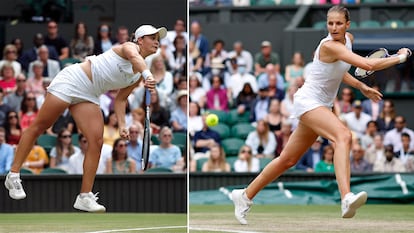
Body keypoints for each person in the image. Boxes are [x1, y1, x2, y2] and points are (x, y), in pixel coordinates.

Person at [231, 6, 412, 224]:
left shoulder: (348, 40)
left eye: (338, 23)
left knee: (287, 160)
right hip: (308, 101)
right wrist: (400, 57)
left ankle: (244, 196)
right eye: (330, 23)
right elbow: (367, 64)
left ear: (347, 25)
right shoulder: (329, 45)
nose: (334, 27)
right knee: (343, 136)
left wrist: (360, 87)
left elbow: (340, 71)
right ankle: (346, 197)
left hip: (321, 105)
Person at [4, 24, 163, 213]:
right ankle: (13, 175)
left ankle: (84, 196)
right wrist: (148, 75)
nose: (156, 42)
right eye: (152, 37)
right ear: (139, 40)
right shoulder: (128, 48)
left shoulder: (137, 76)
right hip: (73, 80)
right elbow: (136, 58)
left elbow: (120, 100)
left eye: (157, 39)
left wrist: (122, 125)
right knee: (41, 126)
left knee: (96, 141)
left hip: (90, 94)